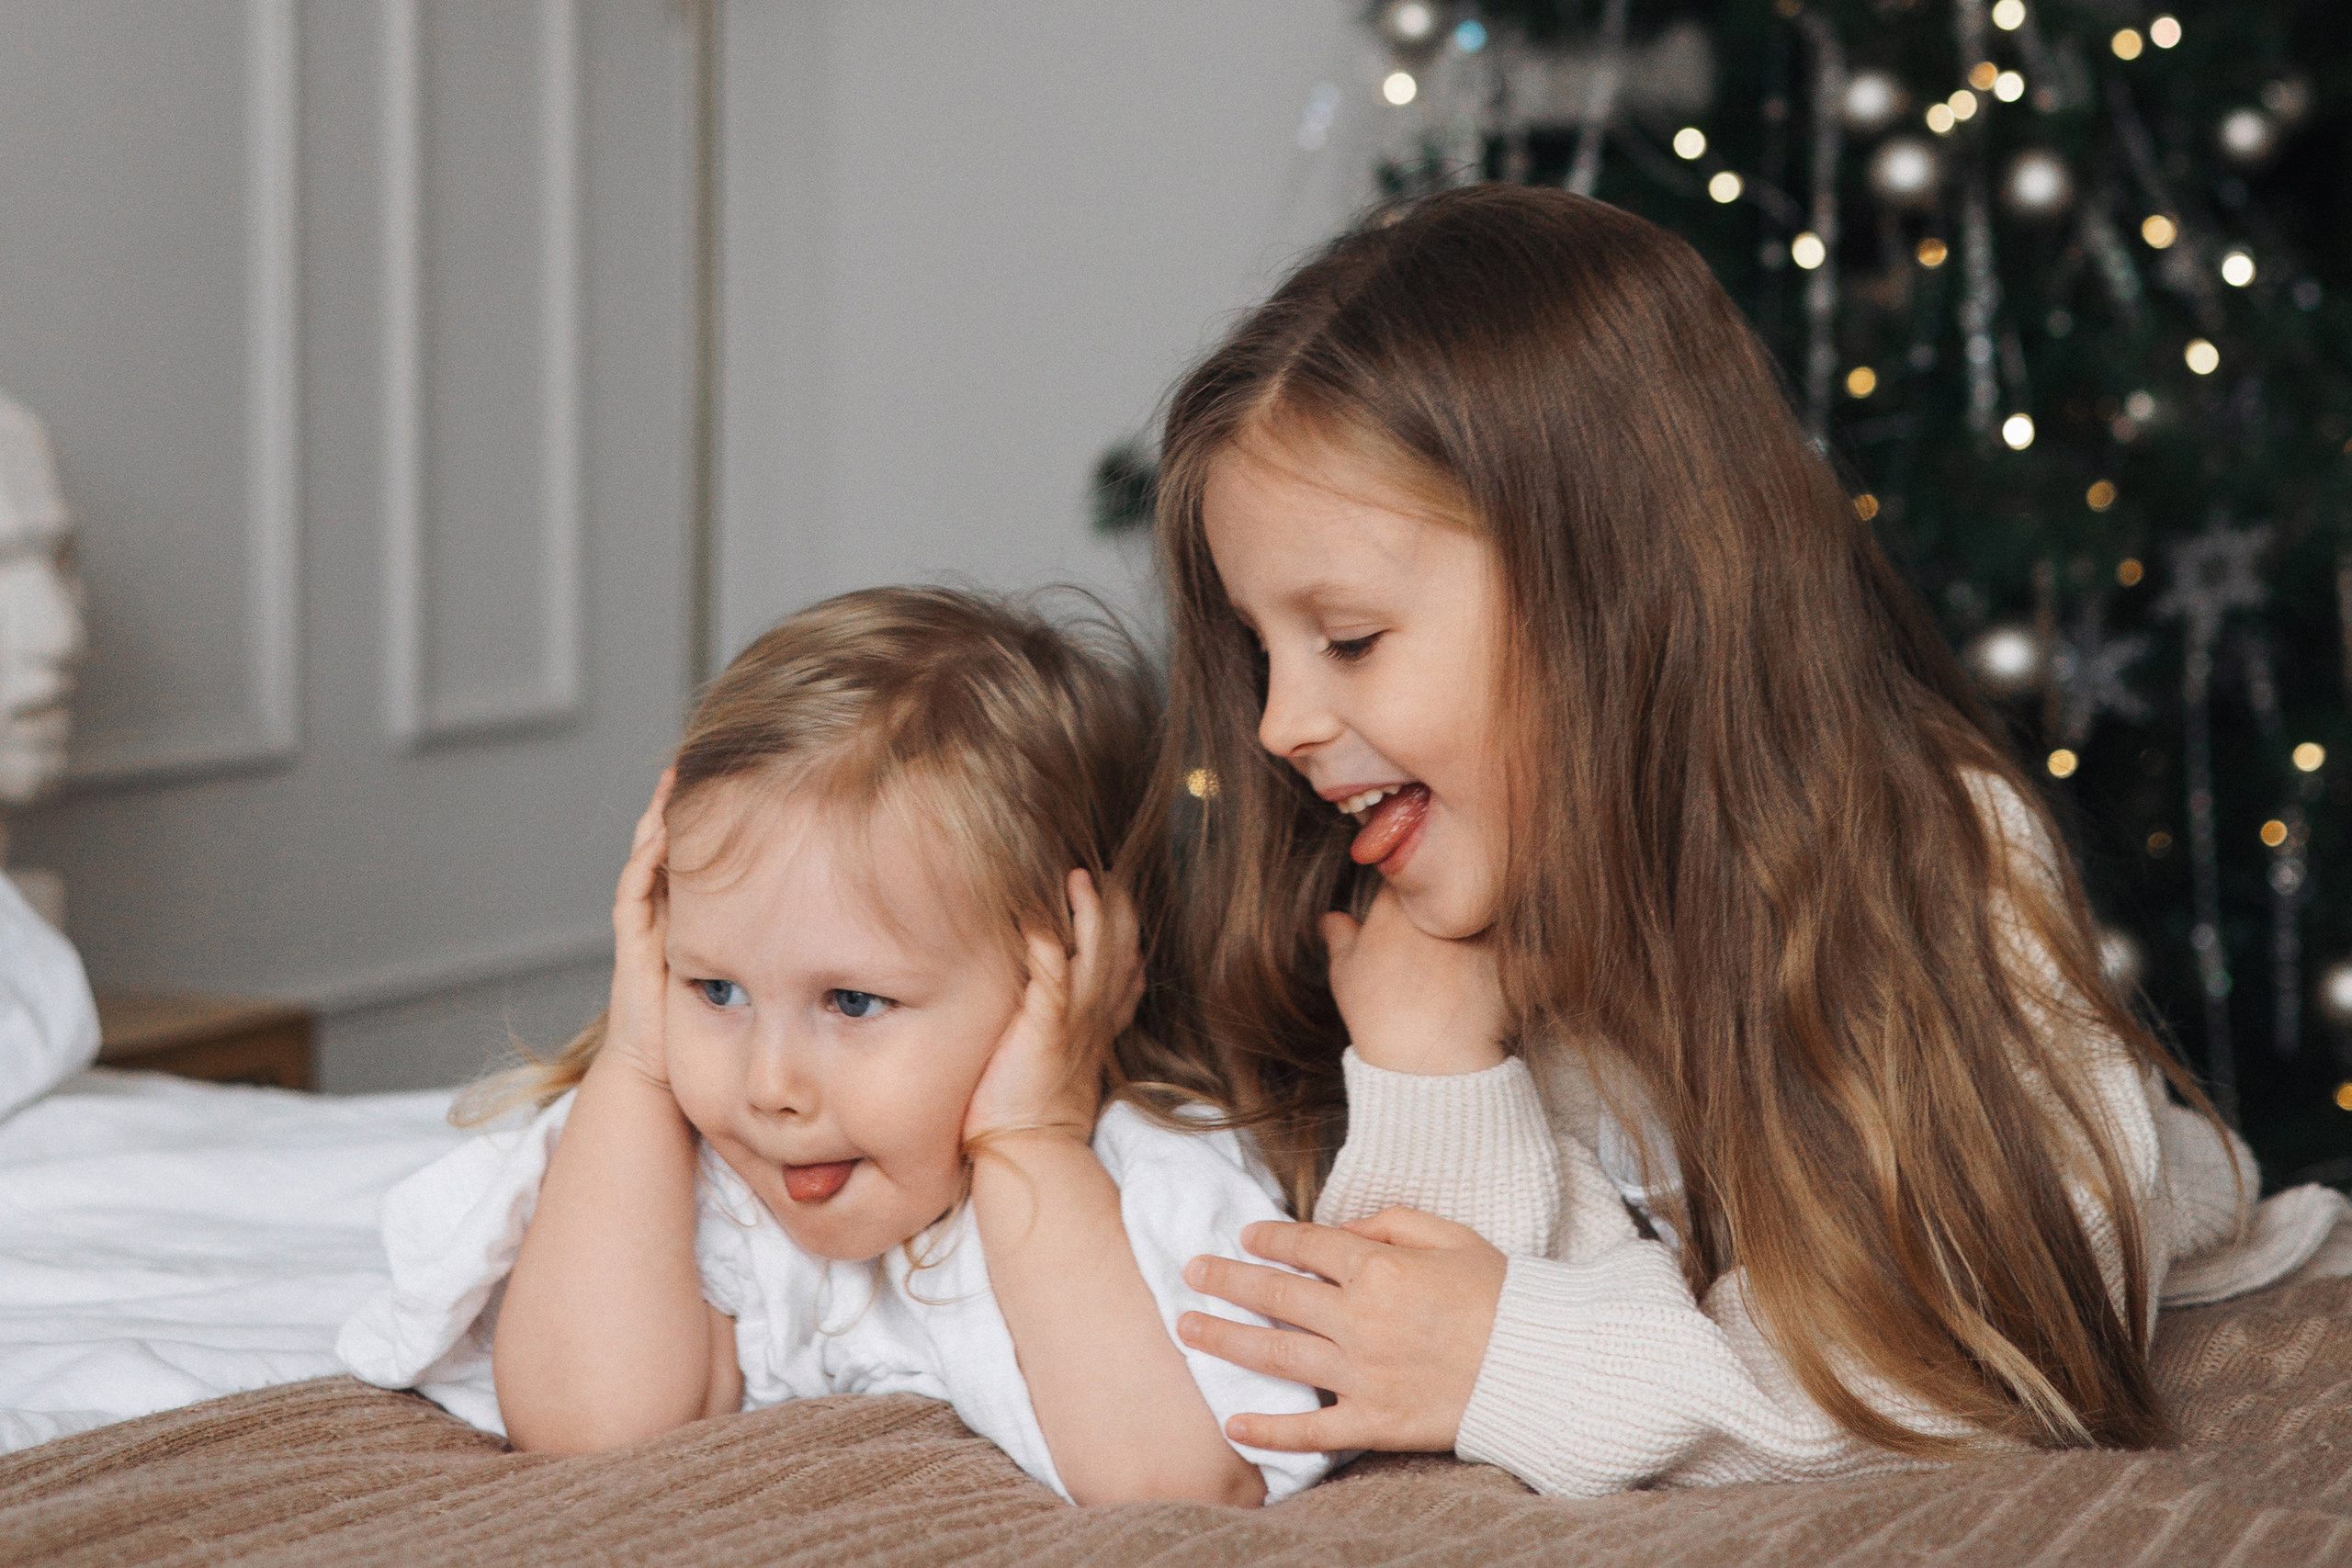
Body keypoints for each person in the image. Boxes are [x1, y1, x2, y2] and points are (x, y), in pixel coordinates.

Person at [1125, 185, 2350, 1496]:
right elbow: (1404, 1358)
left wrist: (1511, 1353)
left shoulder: (1939, 864)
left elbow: (1958, 1368)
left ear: (1610, 590)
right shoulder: (1423, 944)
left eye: (1349, 638)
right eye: (1261, 653)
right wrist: (1432, 1071)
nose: (1278, 724)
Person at [339, 587, 1332, 1506]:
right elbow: (585, 1429)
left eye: (853, 1002)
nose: (768, 1085)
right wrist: (638, 1057)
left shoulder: (1146, 1178)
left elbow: (1174, 1489)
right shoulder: (676, 1159)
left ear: (1075, 971)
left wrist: (1031, 1137)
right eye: (716, 989)